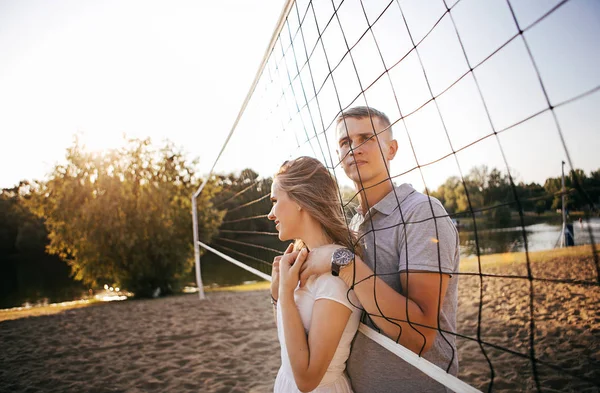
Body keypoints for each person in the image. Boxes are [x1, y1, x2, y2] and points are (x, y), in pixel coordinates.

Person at [299, 106, 460, 393]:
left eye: (366, 138)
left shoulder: (421, 213)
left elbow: (420, 337)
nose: (354, 148)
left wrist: (344, 263)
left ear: (391, 149)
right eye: (345, 142)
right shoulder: (353, 225)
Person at [268, 156, 364, 393]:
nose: (270, 214)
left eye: (275, 200)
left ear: (300, 200)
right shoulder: (301, 259)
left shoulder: (334, 273)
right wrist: (276, 294)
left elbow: (307, 380)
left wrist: (285, 294)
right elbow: (287, 341)